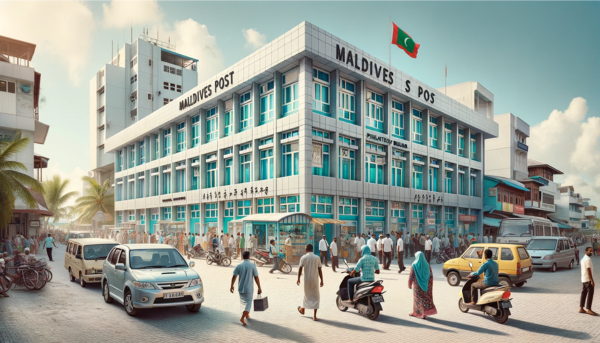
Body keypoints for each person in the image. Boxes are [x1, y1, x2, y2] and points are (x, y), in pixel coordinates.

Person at [231, 251, 262, 325]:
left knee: (243, 303)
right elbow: (256, 277)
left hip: (241, 288)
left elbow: (234, 276)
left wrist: (231, 285)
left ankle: (247, 314)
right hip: (249, 289)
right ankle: (242, 318)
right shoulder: (252, 265)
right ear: (248, 256)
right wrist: (259, 287)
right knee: (248, 304)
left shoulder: (239, 265)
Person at [297, 244, 323, 321]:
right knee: (316, 297)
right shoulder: (317, 258)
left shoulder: (303, 257)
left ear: (306, 250)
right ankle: (314, 316)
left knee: (306, 295)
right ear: (312, 249)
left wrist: (298, 278)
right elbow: (320, 270)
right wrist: (322, 280)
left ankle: (303, 309)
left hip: (307, 280)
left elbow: (300, 268)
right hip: (315, 280)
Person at [408, 251, 437, 319]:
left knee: (417, 300)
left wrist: (409, 284)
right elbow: (431, 275)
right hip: (426, 286)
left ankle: (416, 313)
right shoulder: (427, 265)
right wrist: (429, 285)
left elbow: (411, 276)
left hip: (417, 286)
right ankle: (424, 314)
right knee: (425, 299)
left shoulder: (414, 265)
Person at [580, 247, 597, 315]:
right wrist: (592, 280)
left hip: (584, 279)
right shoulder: (588, 259)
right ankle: (589, 309)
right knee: (590, 294)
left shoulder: (583, 259)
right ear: (586, 251)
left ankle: (581, 308)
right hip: (587, 279)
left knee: (583, 294)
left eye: (592, 251)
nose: (591, 252)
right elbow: (588, 270)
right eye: (590, 251)